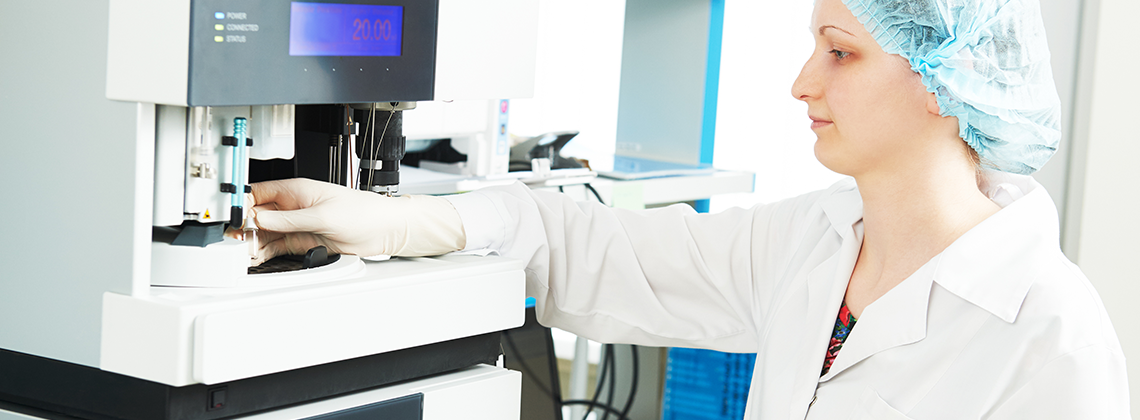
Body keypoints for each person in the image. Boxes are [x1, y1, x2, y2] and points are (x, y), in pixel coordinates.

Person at [241, 0, 1131, 418]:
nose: (801, 82)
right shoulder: (818, 243)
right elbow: (605, 252)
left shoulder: (1049, 334)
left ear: (947, 80)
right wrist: (409, 224)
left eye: (840, 54)